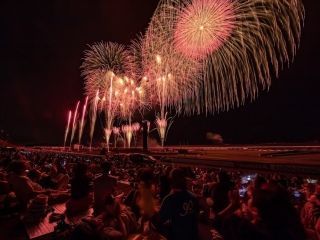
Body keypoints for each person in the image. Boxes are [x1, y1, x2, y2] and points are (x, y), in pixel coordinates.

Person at [156, 168, 199, 240]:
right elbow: (195, 217)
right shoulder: (193, 198)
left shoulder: (169, 199)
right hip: (192, 236)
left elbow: (160, 220)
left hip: (176, 236)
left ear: (171, 181)